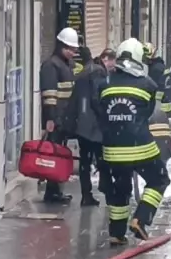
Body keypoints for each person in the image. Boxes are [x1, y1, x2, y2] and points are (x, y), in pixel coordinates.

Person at [94, 38, 171, 244]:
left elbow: (100, 112)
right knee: (159, 179)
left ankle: (117, 234)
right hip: (141, 147)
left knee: (120, 189)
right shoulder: (148, 85)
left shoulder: (105, 84)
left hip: (112, 149)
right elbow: (147, 113)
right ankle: (141, 218)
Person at [38, 27, 80, 203]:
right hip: (55, 119)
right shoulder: (51, 65)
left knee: (58, 154)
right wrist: (50, 119)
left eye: (74, 49)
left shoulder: (66, 65)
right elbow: (49, 95)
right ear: (60, 45)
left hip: (63, 118)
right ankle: (52, 192)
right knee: (53, 155)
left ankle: (56, 190)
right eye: (69, 48)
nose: (72, 52)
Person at [70, 47, 115, 207]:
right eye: (111, 63)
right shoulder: (98, 72)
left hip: (82, 125)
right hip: (94, 126)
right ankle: (106, 189)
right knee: (102, 159)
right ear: (105, 59)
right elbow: (97, 98)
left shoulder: (83, 72)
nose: (112, 67)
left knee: (85, 161)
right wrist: (105, 115)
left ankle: (86, 194)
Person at [144, 42, 171, 114]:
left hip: (158, 105)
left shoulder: (155, 69)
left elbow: (153, 86)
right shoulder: (160, 65)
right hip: (164, 102)